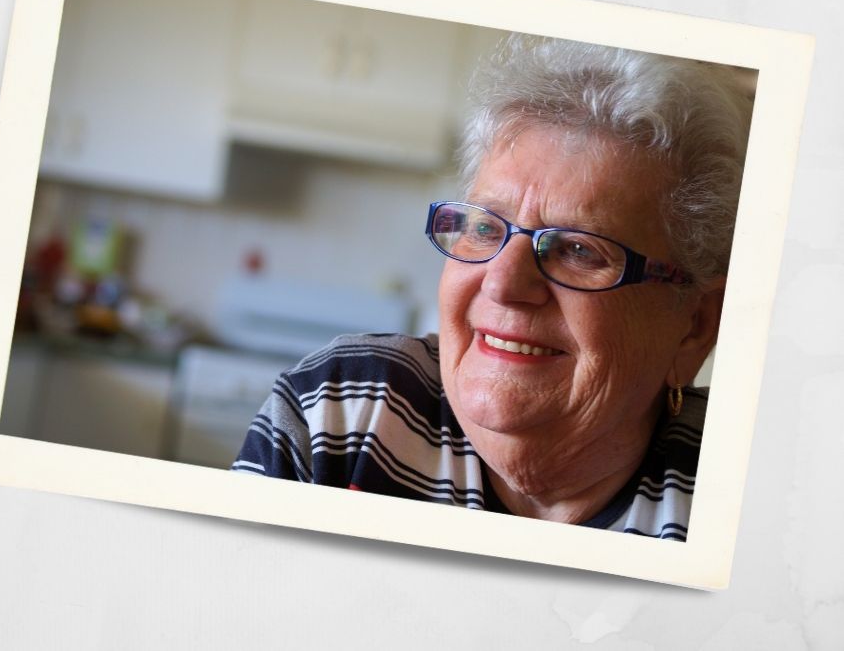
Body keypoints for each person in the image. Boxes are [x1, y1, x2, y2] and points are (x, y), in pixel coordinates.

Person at [231, 34, 753, 540]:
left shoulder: (741, 503)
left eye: (578, 249)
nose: (503, 284)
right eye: (485, 227)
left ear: (697, 323)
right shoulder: (342, 411)